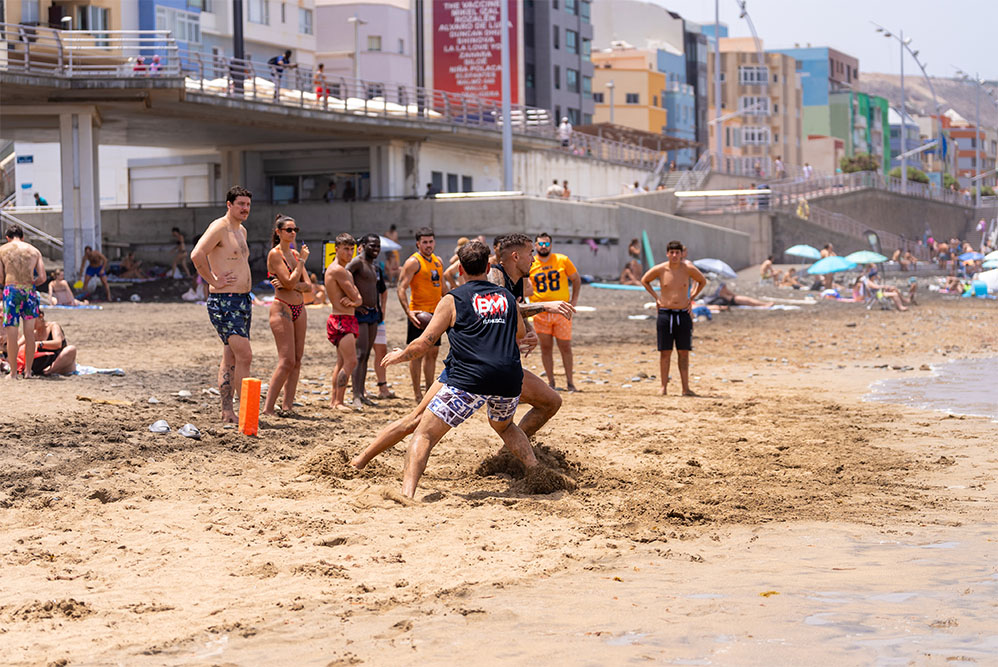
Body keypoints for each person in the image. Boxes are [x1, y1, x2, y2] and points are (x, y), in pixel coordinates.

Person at [351, 234, 572, 470]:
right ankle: (359, 461)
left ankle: (507, 455)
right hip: (468, 367)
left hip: (500, 366)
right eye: (530, 253)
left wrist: (527, 331)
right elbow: (495, 311)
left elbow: (511, 313)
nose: (534, 259)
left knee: (550, 402)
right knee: (416, 421)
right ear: (515, 256)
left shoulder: (518, 281)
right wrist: (545, 306)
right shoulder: (496, 277)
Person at [380, 240, 538, 498]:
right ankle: (536, 472)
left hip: (470, 380)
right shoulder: (507, 297)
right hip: (509, 379)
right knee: (505, 426)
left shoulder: (453, 299)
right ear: (488, 266)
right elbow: (520, 333)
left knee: (425, 434)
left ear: (461, 270)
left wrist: (401, 355)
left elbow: (424, 342)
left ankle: (406, 494)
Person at [190, 185, 254, 423]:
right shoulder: (219, 227)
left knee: (231, 357)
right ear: (229, 205)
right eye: (240, 204)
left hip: (242, 300)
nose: (245, 208)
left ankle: (228, 412)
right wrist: (213, 280)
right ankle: (247, 413)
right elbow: (197, 255)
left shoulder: (242, 230)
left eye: (247, 204)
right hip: (224, 300)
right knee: (245, 355)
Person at [640, 240, 707, 396]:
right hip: (665, 313)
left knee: (684, 352)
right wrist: (656, 298)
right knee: (665, 352)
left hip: (683, 313)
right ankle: (663, 386)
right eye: (672, 252)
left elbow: (702, 281)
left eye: (677, 252)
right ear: (667, 253)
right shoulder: (661, 269)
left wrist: (693, 296)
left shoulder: (688, 269)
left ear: (681, 254)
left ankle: (685, 388)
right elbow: (645, 280)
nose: (675, 255)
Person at [262, 214, 311, 417]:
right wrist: (301, 263)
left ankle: (287, 405)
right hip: (282, 307)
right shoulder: (275, 254)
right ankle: (268, 408)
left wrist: (293, 284)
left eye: (295, 230)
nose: (292, 233)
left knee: (297, 359)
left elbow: (308, 286)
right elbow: (291, 283)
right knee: (286, 360)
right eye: (289, 230)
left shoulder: (294, 254)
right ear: (279, 232)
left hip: (299, 308)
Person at [397, 227, 447, 401]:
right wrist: (408, 312)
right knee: (416, 354)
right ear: (418, 243)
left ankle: (429, 391)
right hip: (418, 315)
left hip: (436, 315)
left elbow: (443, 288)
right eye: (424, 242)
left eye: (431, 241)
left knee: (433, 353)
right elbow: (401, 288)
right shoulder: (413, 262)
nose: (428, 245)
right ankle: (417, 394)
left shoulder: (438, 261)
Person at [529, 233, 581, 391]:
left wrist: (574, 300)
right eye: (540, 244)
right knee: (545, 347)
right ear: (535, 245)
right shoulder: (531, 263)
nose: (543, 247)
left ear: (551, 245)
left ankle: (570, 382)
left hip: (561, 310)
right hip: (540, 310)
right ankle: (551, 382)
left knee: (565, 346)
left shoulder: (562, 260)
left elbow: (576, 279)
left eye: (546, 244)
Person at [324, 233, 363, 412]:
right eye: (345, 249)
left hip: (345, 318)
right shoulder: (338, 270)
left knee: (341, 362)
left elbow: (356, 298)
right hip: (341, 319)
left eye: (351, 249)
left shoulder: (344, 270)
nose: (349, 253)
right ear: (337, 249)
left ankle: (335, 399)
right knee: (351, 361)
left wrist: (356, 301)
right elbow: (356, 297)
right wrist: (357, 300)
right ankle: (338, 401)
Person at [1, 224, 46, 380]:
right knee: (29, 333)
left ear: (7, 237)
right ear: (23, 237)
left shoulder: (2, 250)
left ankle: (13, 373)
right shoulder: (34, 251)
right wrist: (31, 283)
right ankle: (28, 372)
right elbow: (43, 277)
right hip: (29, 290)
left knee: (12, 332)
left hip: (11, 290)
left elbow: (0, 277)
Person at [348, 234, 383, 408]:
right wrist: (354, 302)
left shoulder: (373, 266)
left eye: (378, 246)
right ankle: (355, 395)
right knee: (359, 354)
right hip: (360, 314)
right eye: (372, 245)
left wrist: (378, 306)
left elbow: (374, 289)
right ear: (363, 245)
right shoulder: (357, 263)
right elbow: (343, 278)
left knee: (367, 355)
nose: (376, 248)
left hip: (372, 314)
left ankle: (361, 393)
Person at [16, 310, 76, 377]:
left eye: (31, 319)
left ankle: (50, 371)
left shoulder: (53, 326)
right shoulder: (32, 332)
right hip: (42, 364)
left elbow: (58, 344)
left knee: (71, 349)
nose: (29, 323)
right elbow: (17, 345)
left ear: (40, 316)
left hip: (59, 363)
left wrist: (40, 344)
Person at [705, 282, 773, 308]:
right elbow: (732, 294)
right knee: (749, 302)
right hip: (733, 300)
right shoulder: (722, 291)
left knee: (749, 301)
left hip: (733, 299)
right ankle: (764, 304)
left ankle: (764, 304)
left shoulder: (720, 291)